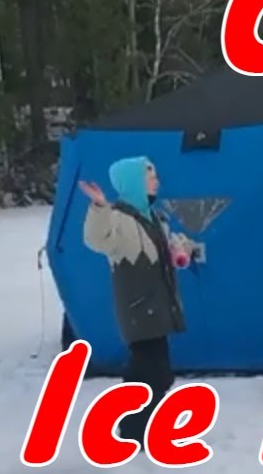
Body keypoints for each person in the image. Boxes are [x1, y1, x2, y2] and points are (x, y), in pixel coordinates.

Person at [79, 156, 197, 444]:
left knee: (156, 373)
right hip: (138, 308)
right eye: (150, 175)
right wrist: (98, 206)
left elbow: (163, 251)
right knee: (152, 373)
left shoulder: (154, 217)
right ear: (133, 181)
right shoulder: (116, 217)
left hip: (159, 306)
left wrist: (181, 249)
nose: (157, 179)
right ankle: (133, 433)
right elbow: (97, 239)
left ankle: (139, 429)